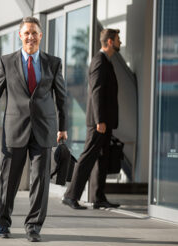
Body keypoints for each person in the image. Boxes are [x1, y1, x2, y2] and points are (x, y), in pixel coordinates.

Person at [0, 17, 67, 242]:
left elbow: (62, 98)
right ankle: (4, 223)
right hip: (14, 130)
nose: (31, 37)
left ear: (41, 36)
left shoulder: (53, 63)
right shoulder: (6, 62)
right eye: (26, 33)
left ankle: (33, 227)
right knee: (9, 180)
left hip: (44, 130)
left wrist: (62, 127)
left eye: (34, 33)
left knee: (40, 182)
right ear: (20, 35)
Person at [62, 28, 121, 210]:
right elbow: (96, 92)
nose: (121, 42)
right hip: (98, 122)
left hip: (104, 121)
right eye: (118, 39)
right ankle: (70, 195)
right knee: (87, 157)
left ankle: (98, 197)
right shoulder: (99, 61)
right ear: (110, 42)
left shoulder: (107, 61)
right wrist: (100, 120)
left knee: (102, 158)